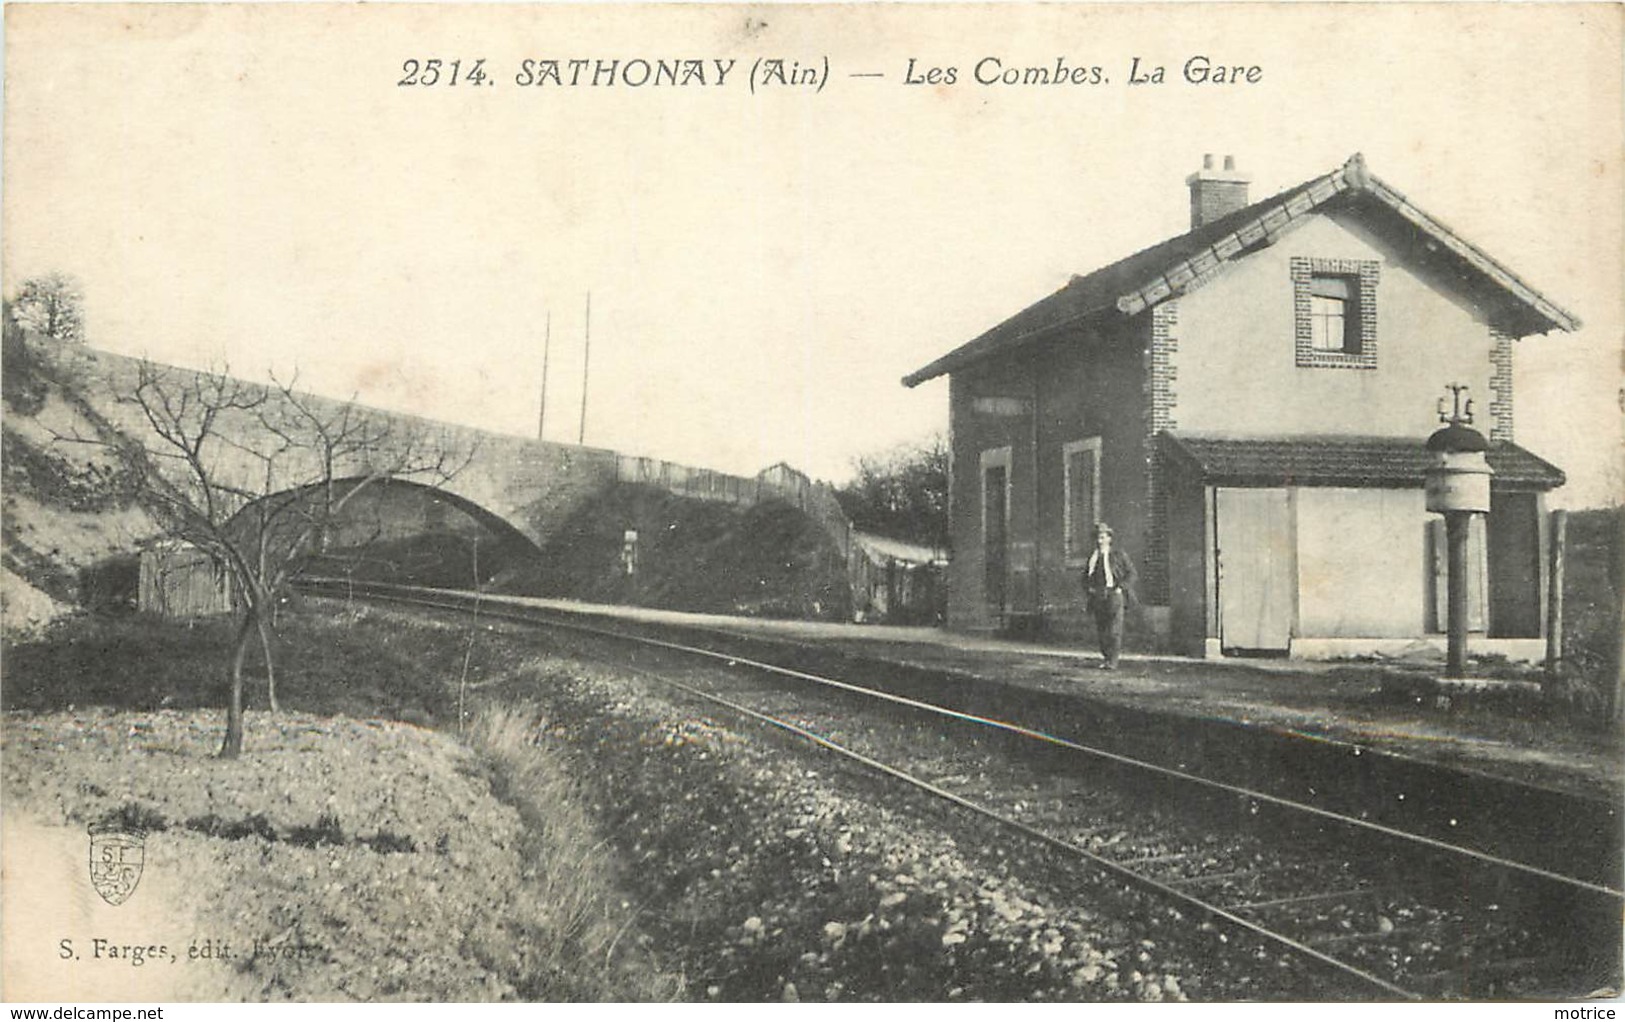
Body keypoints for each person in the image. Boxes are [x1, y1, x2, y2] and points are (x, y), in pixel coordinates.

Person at [1082, 522, 1137, 669]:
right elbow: (1085, 578)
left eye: (1102, 538)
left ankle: (1113, 661)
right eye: (1097, 538)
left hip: (1114, 594)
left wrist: (1120, 588)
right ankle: (1106, 659)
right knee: (1102, 629)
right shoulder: (1092, 557)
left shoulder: (1118, 555)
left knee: (1114, 629)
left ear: (1109, 539)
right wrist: (1089, 590)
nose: (1099, 541)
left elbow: (1131, 574)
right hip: (1098, 596)